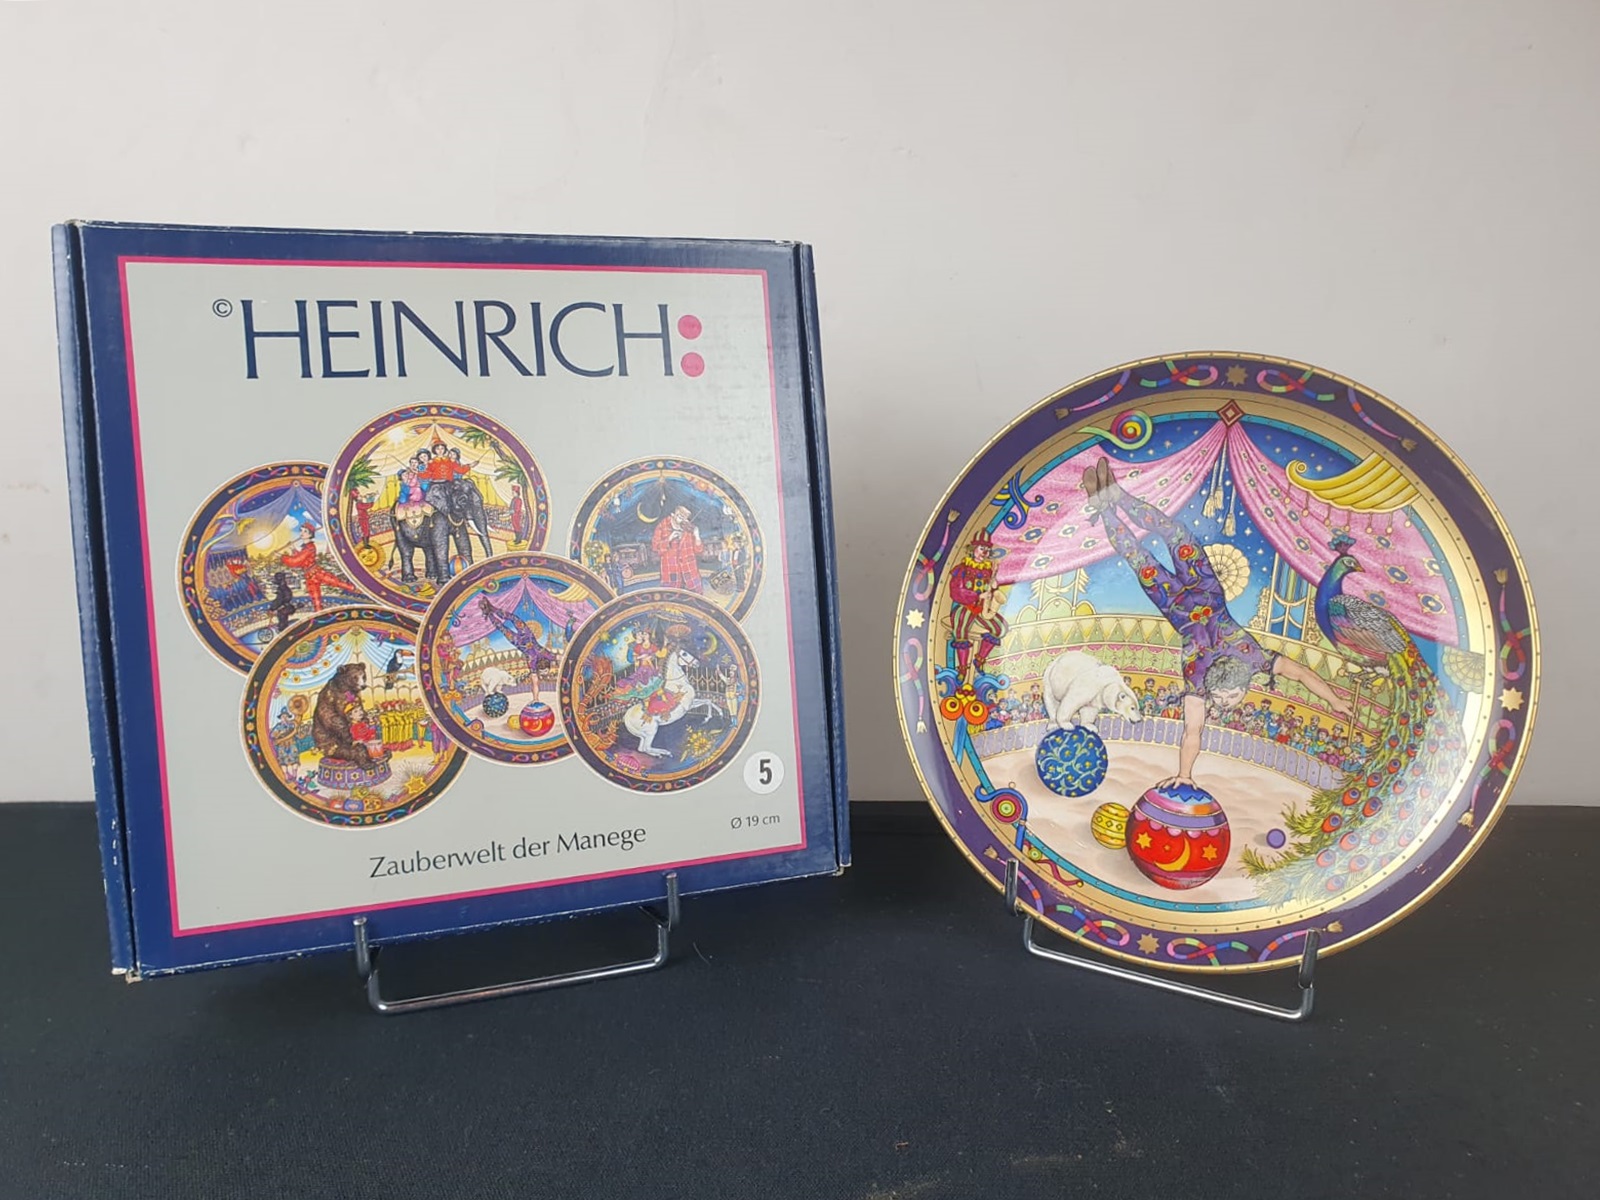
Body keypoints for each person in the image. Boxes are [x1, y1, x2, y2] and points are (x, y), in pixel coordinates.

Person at [1082, 457, 1351, 788]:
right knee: (1171, 534)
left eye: (1220, 699)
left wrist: (1184, 775)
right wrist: (1332, 699)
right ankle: (1114, 498)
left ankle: (1106, 505)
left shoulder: (1203, 680)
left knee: (1142, 554)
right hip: (1202, 587)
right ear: (1243, 686)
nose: (1223, 703)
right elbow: (1302, 674)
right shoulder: (1254, 659)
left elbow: (1192, 731)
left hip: (1175, 604)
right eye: (1228, 698)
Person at [946, 527, 1006, 688]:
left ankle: (980, 659)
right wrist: (976, 596)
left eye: (987, 549)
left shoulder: (988, 569)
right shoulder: (962, 569)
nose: (984, 553)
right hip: (966, 607)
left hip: (982, 609)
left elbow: (992, 590)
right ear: (973, 549)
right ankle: (962, 668)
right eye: (981, 548)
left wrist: (994, 587)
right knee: (961, 630)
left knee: (999, 627)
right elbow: (955, 591)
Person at [653, 505, 704, 592]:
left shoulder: (689, 527)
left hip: (690, 570)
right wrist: (669, 539)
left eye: (686, 518)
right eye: (681, 517)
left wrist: (697, 536)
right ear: (673, 515)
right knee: (670, 596)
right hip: (671, 571)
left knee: (696, 597)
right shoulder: (662, 526)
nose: (684, 520)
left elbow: (699, 551)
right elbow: (655, 549)